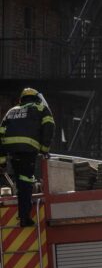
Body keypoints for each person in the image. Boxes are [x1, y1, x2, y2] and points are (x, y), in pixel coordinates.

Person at [0, 88, 54, 227]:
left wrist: (2, 160)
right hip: (27, 149)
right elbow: (49, 126)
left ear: (22, 99)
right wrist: (44, 149)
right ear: (36, 98)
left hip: (11, 149)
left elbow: (1, 134)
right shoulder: (41, 108)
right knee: (26, 181)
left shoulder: (11, 111)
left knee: (20, 180)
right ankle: (24, 217)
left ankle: (23, 214)